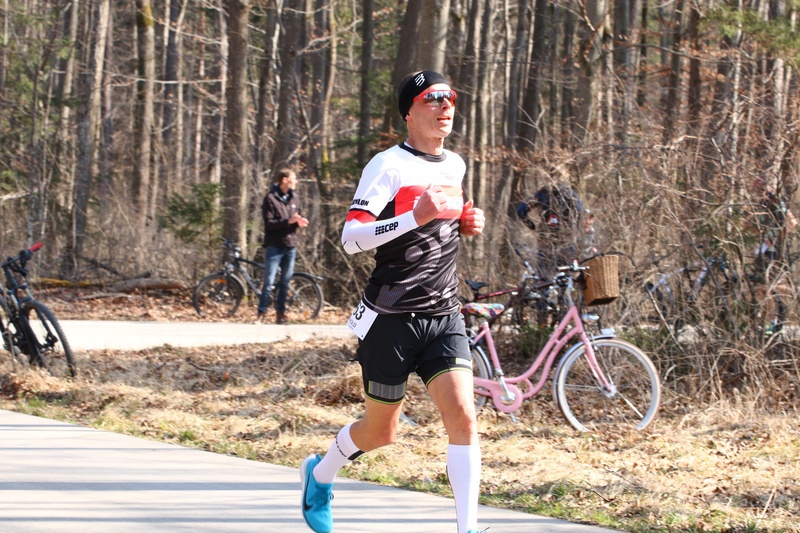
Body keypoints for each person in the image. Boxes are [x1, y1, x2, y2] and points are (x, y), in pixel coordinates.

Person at [299, 70, 485, 533]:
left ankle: (467, 529)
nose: (445, 106)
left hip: (443, 314)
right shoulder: (386, 166)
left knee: (464, 417)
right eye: (432, 99)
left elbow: (442, 223)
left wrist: (465, 222)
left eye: (450, 98)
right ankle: (320, 474)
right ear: (409, 112)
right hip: (390, 318)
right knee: (381, 432)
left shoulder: (455, 165)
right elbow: (352, 237)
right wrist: (413, 217)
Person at [257, 168, 309, 324]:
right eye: (294, 178)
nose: (296, 181)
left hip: (290, 245)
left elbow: (297, 217)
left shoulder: (295, 197)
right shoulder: (270, 198)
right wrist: (288, 222)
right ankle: (261, 313)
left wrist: (299, 222)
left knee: (285, 282)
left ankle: (280, 313)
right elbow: (269, 223)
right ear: (284, 180)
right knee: (269, 281)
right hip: (274, 246)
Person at [747, 173, 797, 334]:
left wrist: (774, 239)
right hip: (763, 251)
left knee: (768, 287)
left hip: (773, 253)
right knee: (760, 287)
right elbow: (759, 227)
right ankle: (771, 321)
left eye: (758, 185)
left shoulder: (775, 201)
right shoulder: (761, 204)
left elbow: (792, 222)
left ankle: (773, 321)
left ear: (765, 186)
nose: (754, 188)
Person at [516, 183, 595, 278]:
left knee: (544, 279)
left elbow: (521, 211)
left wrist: (532, 226)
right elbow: (580, 212)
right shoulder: (571, 195)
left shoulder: (541, 195)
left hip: (546, 242)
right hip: (566, 242)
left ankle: (544, 285)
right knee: (566, 279)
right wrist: (574, 227)